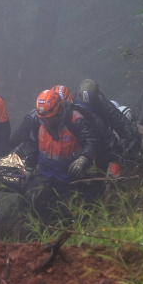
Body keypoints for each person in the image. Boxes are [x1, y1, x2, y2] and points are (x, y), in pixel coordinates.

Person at [24, 90, 97, 220]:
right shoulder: (38, 119)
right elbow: (33, 144)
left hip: (69, 174)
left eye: (49, 117)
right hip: (45, 171)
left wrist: (83, 158)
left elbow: (90, 142)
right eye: (43, 118)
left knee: (69, 210)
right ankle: (40, 231)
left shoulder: (75, 120)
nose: (47, 121)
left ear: (58, 110)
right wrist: (29, 167)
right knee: (33, 197)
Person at [75, 79, 141, 161]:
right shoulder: (71, 106)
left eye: (88, 108)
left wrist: (131, 136)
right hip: (80, 147)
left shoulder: (104, 105)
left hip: (103, 143)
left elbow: (120, 121)